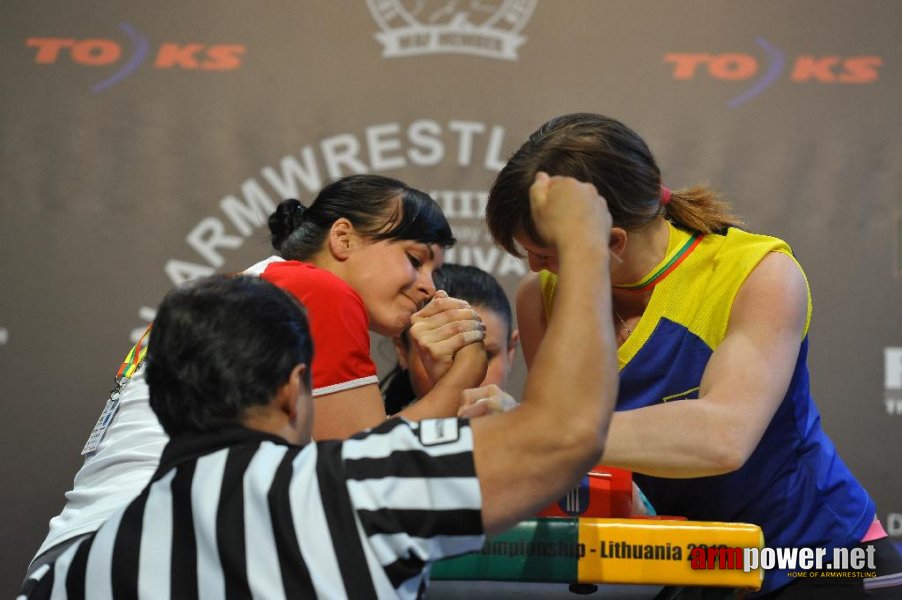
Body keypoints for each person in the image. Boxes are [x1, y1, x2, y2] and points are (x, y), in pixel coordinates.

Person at [19, 173, 619, 599]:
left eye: (436, 269)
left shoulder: (246, 289)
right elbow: (352, 469)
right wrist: (463, 374)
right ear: (343, 239)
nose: (429, 286)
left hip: (91, 560)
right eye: (415, 258)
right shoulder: (318, 291)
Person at [485, 112, 902, 597]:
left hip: (815, 554)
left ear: (611, 242)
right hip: (690, 559)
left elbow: (723, 436)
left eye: (548, 251)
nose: (534, 265)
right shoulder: (541, 294)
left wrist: (537, 430)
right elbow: (576, 456)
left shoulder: (756, 271)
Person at [381, 263, 520, 416]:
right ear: (402, 351)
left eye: (485, 356)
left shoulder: (539, 434)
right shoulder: (372, 436)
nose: (467, 376)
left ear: (510, 351)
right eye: (434, 354)